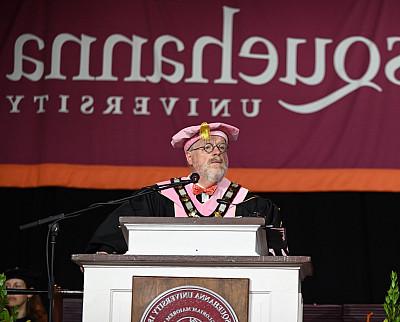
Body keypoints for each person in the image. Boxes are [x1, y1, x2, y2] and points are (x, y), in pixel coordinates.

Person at [87, 122, 288, 255]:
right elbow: (113, 239)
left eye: (222, 148)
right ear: (189, 157)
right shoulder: (157, 197)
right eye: (207, 148)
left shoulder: (252, 204)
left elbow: (276, 256)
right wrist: (104, 252)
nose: (217, 153)